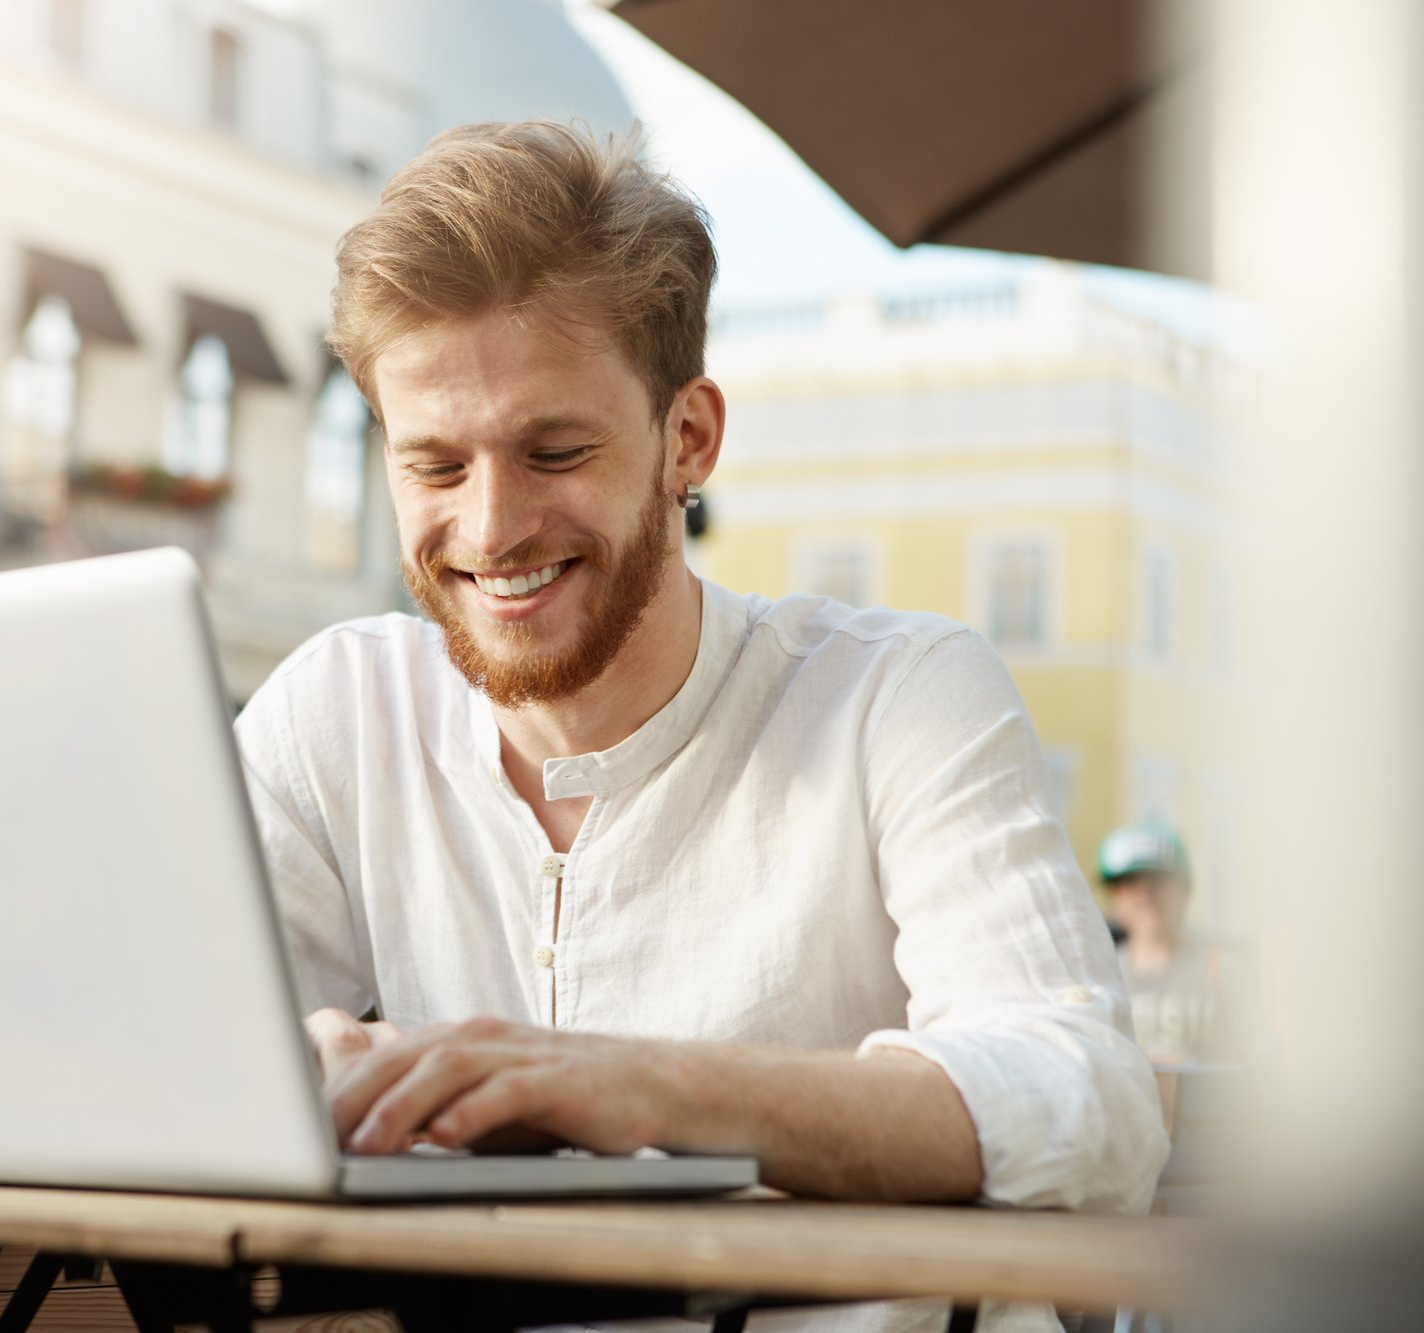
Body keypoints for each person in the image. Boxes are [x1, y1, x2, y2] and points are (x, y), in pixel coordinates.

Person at [233, 121, 1168, 1330]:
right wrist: (285, 1065)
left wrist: (646, 1086)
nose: (491, 526)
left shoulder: (897, 694)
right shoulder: (334, 712)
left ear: (689, 439)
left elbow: (1089, 1102)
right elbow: (143, 1051)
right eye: (435, 465)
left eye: (552, 449)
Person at [1100, 822, 1249, 1066]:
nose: (1145, 893)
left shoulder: (1222, 970)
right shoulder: (1104, 978)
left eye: (1159, 880)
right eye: (1131, 882)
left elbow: (1255, 1061)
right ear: (1114, 897)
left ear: (1185, 890)